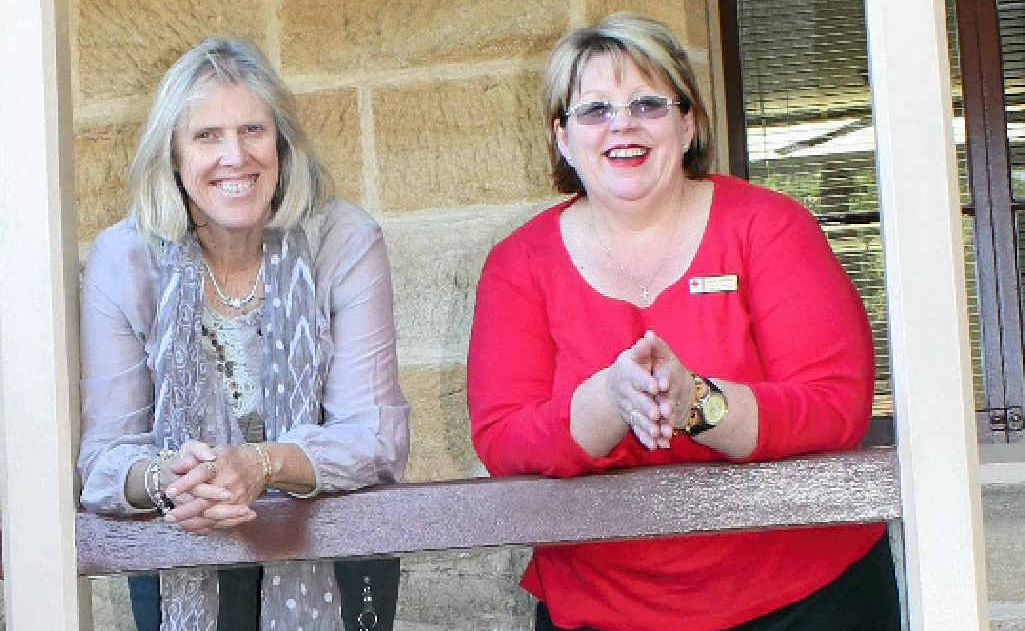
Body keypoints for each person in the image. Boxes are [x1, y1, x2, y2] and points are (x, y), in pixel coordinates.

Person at [467, 13, 899, 631]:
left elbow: (833, 408)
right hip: (603, 606)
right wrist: (611, 399)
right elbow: (504, 440)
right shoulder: (518, 265)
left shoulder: (770, 228)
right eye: (594, 110)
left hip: (804, 597)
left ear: (688, 122)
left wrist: (697, 402)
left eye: (649, 103)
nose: (623, 124)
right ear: (563, 137)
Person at [77, 38, 409, 630]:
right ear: (173, 155)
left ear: (281, 145)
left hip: (330, 548)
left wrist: (260, 464)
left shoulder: (342, 240)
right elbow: (104, 461)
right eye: (206, 136)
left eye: (253, 130)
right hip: (184, 552)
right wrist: (170, 477)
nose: (235, 155)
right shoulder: (123, 260)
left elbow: (376, 439)